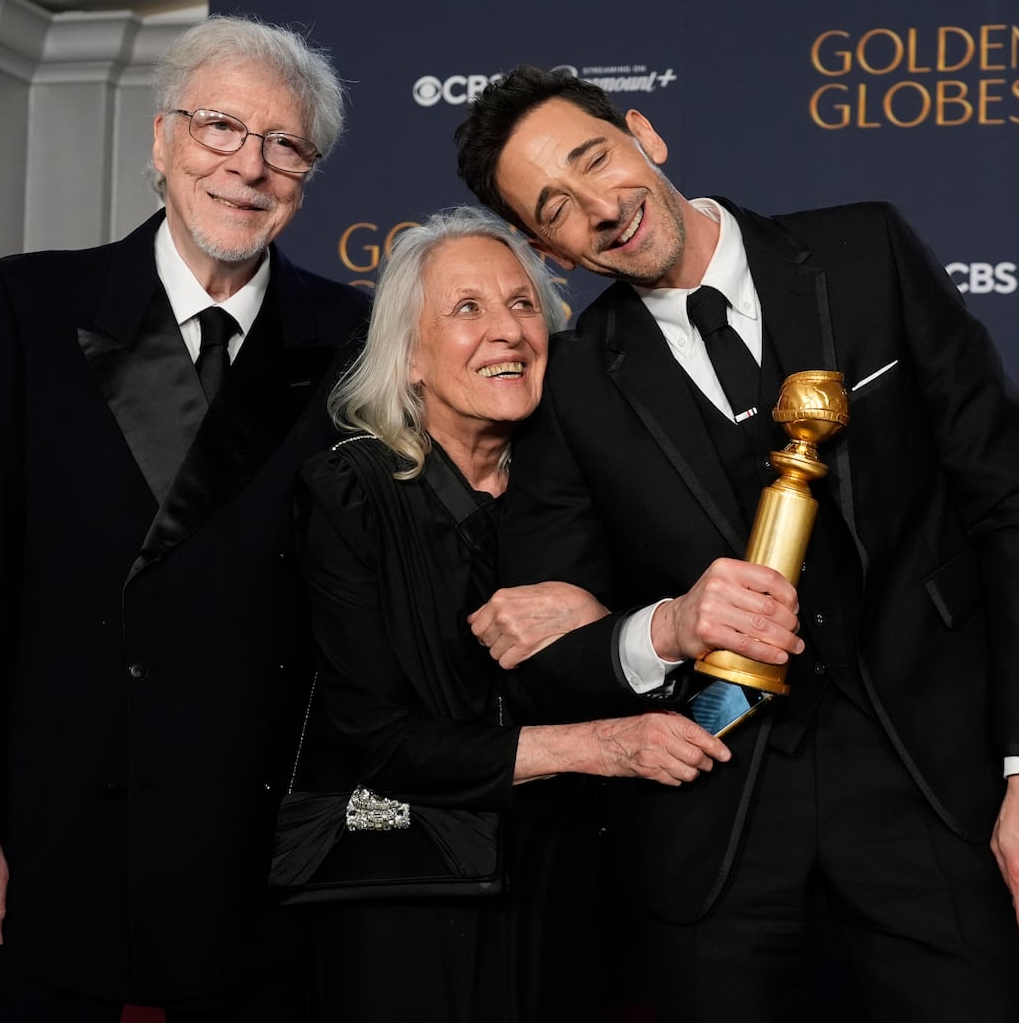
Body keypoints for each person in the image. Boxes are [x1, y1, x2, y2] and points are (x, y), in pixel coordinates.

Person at [454, 65, 1019, 1021]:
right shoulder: (577, 383)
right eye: (558, 207)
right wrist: (667, 626)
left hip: (930, 787)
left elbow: (1016, 508)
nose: (602, 207)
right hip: (712, 825)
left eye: (596, 159)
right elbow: (548, 657)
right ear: (554, 248)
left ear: (644, 135)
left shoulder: (862, 251)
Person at [0, 15, 369, 1020]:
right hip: (43, 830)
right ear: (161, 141)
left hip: (261, 844)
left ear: (308, 176)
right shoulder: (26, 304)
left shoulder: (355, 333)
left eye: (284, 144)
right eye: (220, 127)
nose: (248, 165)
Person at [291, 205, 731, 1022]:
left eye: (523, 303)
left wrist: (600, 614)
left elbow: (684, 662)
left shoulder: (595, 489)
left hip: (581, 890)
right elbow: (379, 739)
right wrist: (601, 747)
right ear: (409, 356)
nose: (507, 331)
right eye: (467, 309)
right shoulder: (350, 495)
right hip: (410, 898)